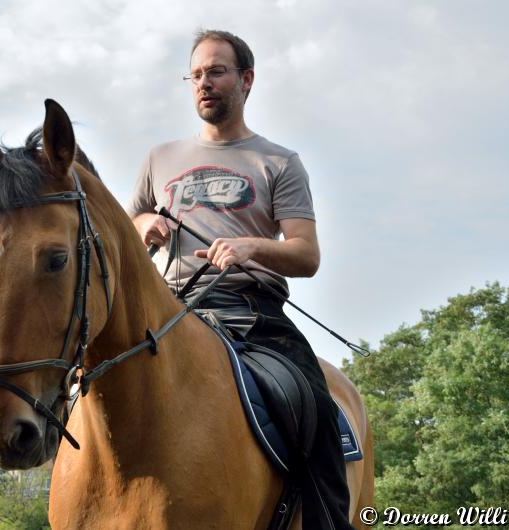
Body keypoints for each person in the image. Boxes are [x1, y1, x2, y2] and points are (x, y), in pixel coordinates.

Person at [126, 29, 354, 530]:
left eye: (217, 71)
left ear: (247, 80)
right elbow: (133, 223)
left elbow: (306, 254)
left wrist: (251, 247)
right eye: (197, 74)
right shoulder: (157, 159)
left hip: (253, 316)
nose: (205, 83)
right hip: (170, 311)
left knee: (313, 406)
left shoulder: (278, 162)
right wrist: (146, 226)